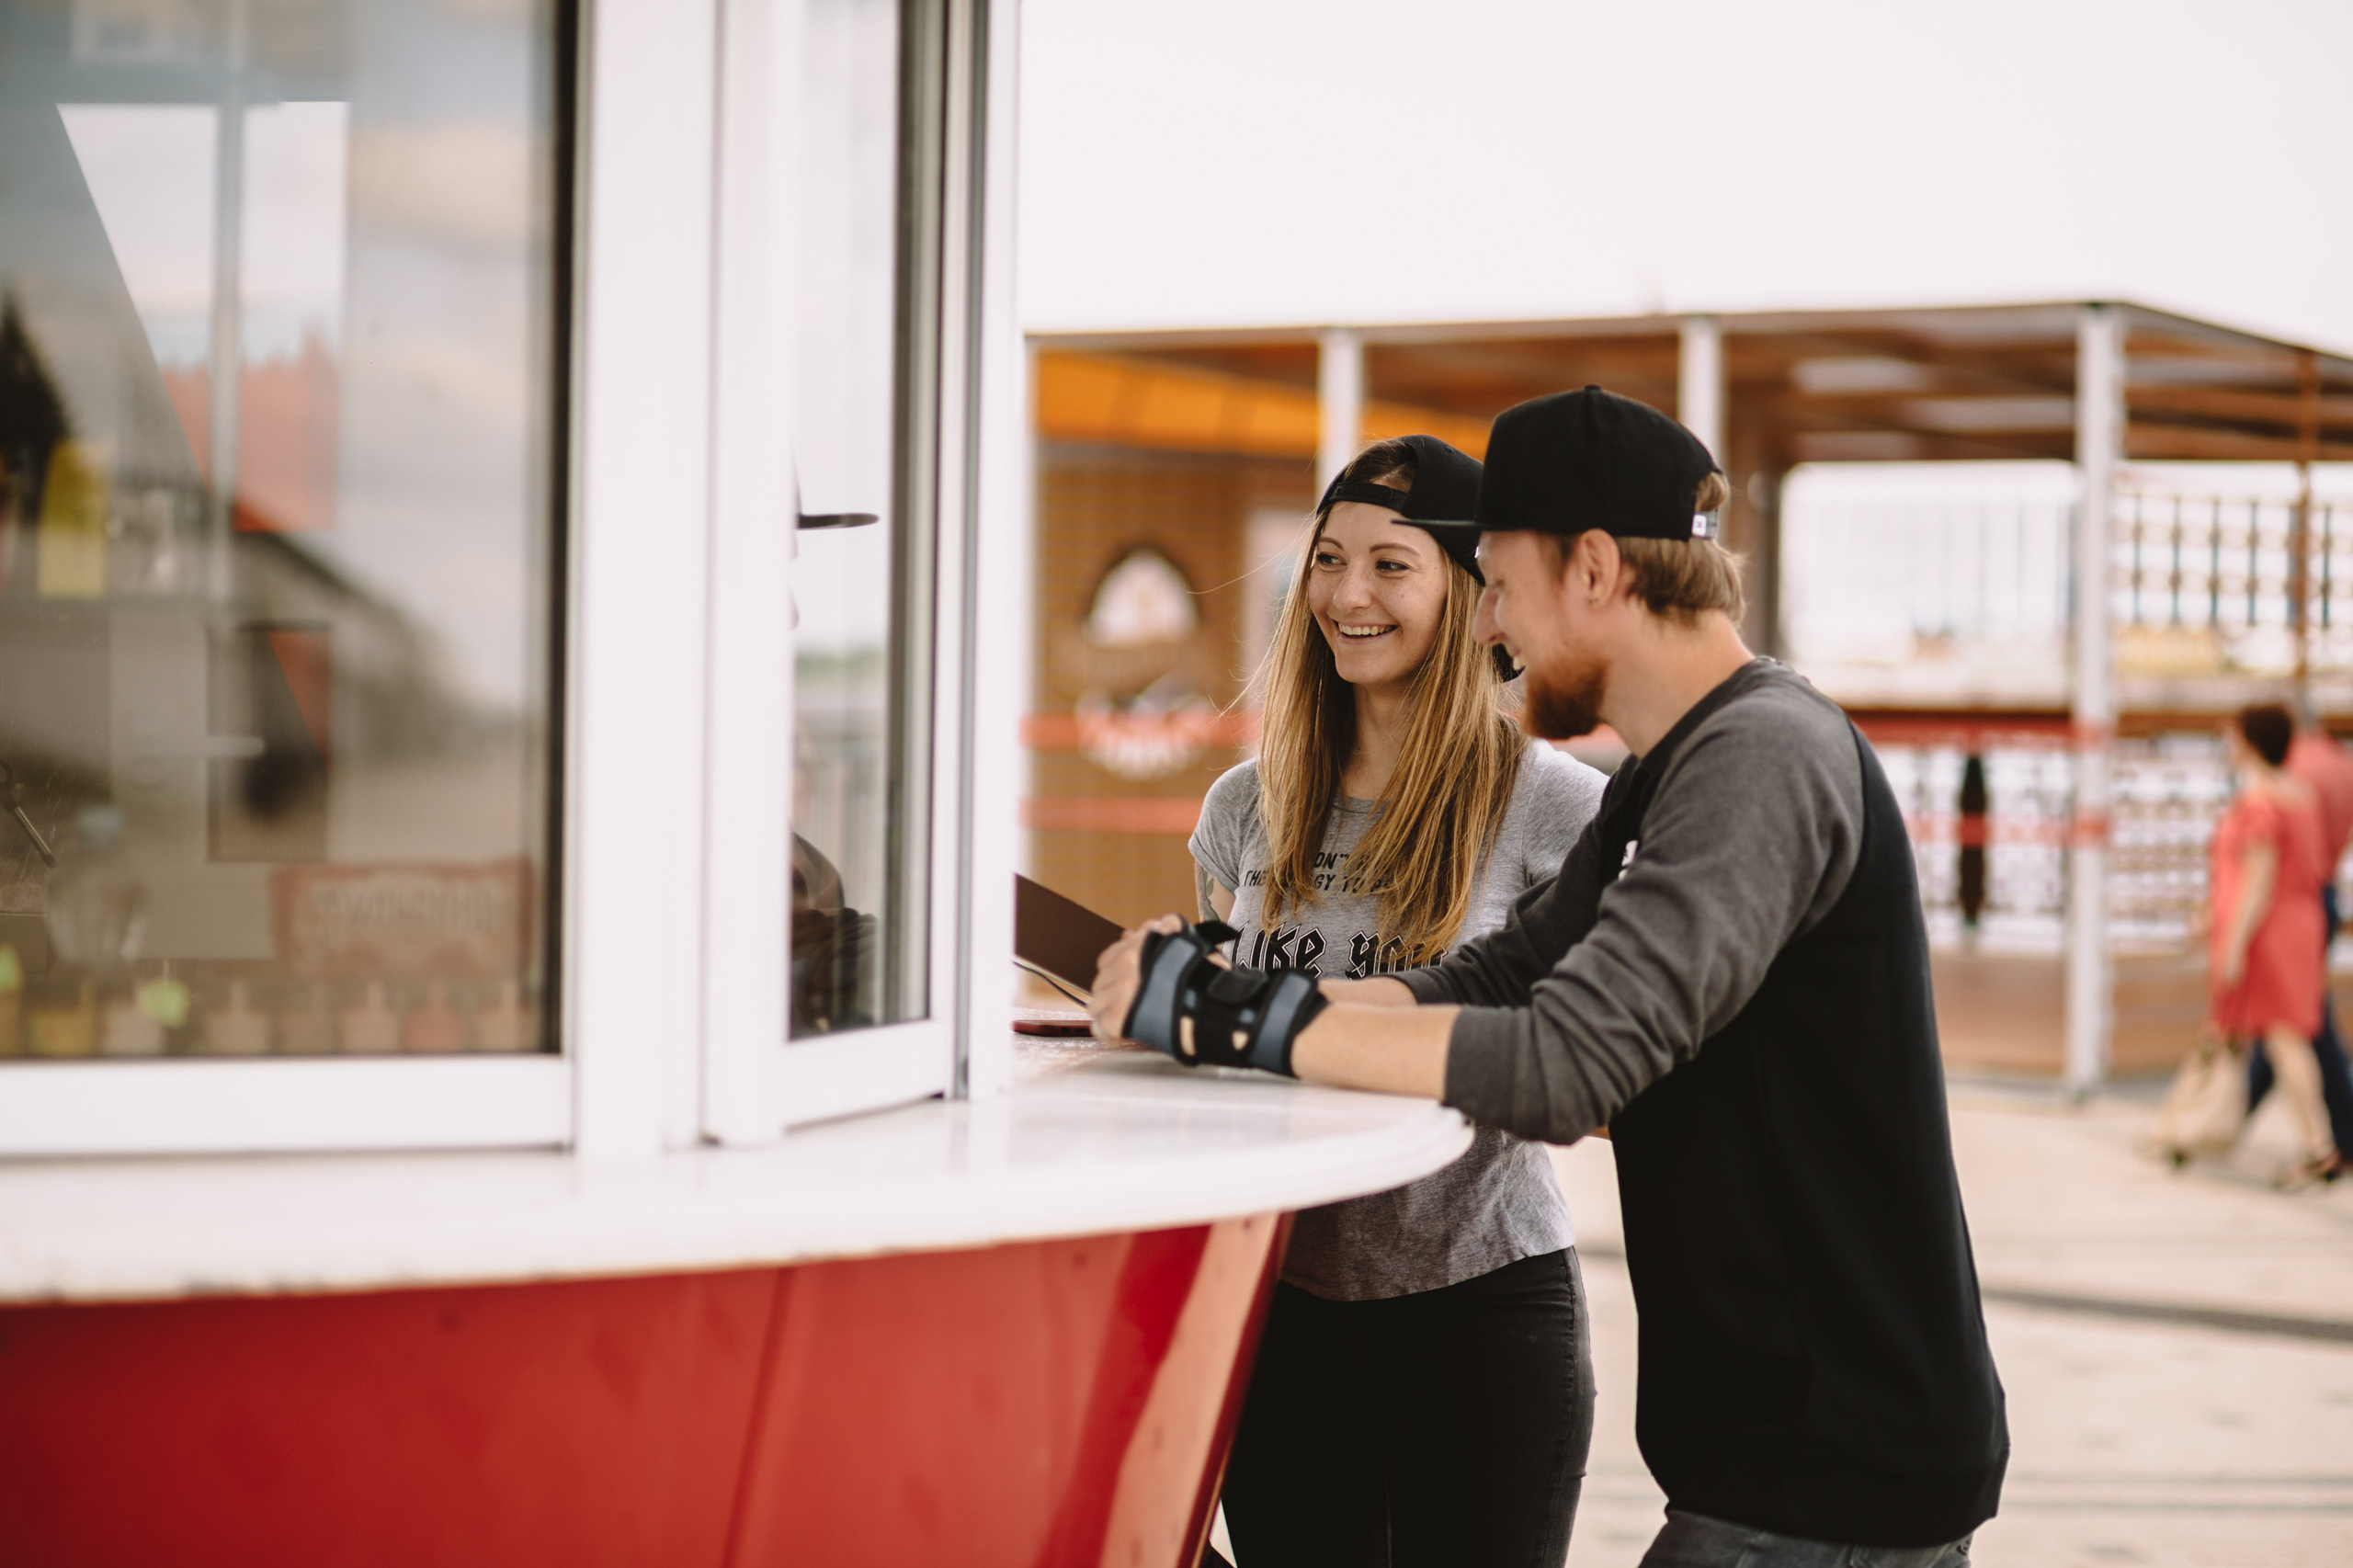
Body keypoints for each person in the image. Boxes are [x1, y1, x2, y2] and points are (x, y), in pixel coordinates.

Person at [1094, 388, 2007, 1568]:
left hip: (1833, 1470)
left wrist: (1239, 1016)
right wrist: (1201, 993)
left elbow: (1565, 1064)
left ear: (1588, 567)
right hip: (1761, 1458)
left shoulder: (1762, 754)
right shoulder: (1661, 772)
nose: (1488, 628)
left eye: (1498, 584)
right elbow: (1492, 974)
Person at [1194, 436, 1606, 1568]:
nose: (1347, 594)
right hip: (1278, 1309)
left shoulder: (1556, 807)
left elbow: (1600, 1067)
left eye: (1391, 563)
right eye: (1328, 559)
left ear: (1472, 597)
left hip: (1479, 1302)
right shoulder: (1246, 806)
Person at [2204, 704, 2342, 1186]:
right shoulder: (2300, 796)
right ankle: (2316, 1144)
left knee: (2283, 1038)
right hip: (2302, 924)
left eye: (2232, 734)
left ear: (2248, 741)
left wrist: (2234, 946)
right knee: (2290, 1037)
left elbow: (2257, 882)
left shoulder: (2259, 802)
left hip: (2270, 931)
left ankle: (2317, 1146)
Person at [2244, 715, 2353, 1157]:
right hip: (2319, 897)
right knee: (2296, 1020)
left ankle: (2333, 1135)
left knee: (2294, 1022)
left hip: (2284, 907)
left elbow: (2265, 865)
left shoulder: (2289, 779)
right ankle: (2232, 1113)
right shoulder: (2343, 767)